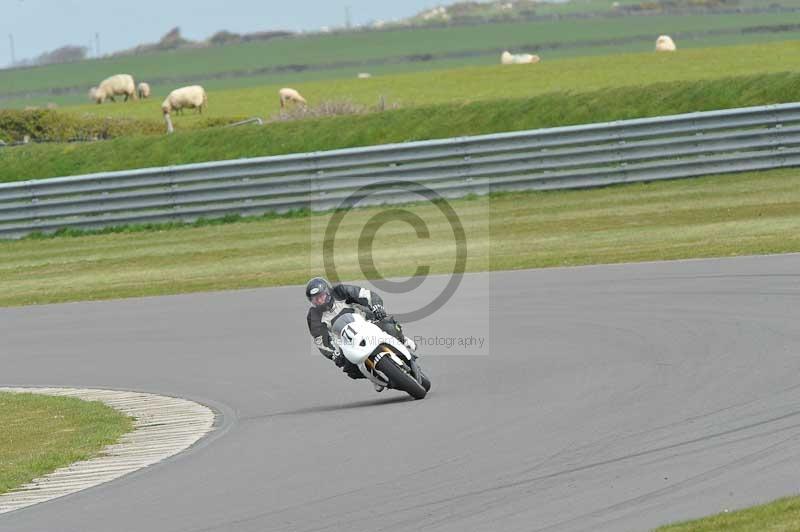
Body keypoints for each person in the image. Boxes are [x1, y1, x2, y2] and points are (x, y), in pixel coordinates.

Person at [305, 277, 416, 381]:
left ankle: (403, 340)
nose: (319, 301)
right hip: (346, 341)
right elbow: (320, 340)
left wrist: (377, 306)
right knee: (349, 368)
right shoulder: (314, 316)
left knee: (389, 327)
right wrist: (333, 354)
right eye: (315, 299)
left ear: (328, 292)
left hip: (366, 324)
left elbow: (366, 295)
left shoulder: (341, 292)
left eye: (321, 296)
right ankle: (375, 377)